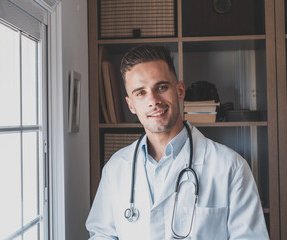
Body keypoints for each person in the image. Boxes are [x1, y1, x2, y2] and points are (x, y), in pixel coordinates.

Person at [86, 45, 269, 239]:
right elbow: (102, 234)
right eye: (140, 92)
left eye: (161, 87)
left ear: (180, 90)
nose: (153, 100)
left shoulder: (231, 167)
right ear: (131, 104)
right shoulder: (115, 169)